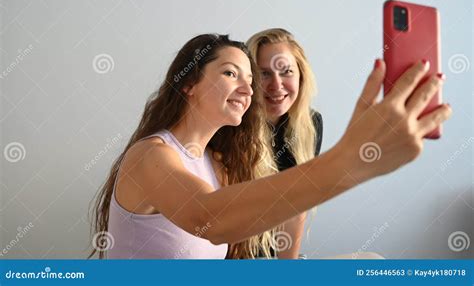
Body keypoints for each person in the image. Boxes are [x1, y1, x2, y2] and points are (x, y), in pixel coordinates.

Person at [89, 33, 451, 259]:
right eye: (231, 73)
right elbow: (207, 218)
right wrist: (350, 161)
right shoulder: (150, 155)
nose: (250, 89)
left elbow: (272, 220)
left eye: (250, 78)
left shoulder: (218, 165)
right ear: (189, 85)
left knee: (370, 264)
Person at [246, 28, 323, 259]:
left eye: (286, 72)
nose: (276, 85)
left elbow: (296, 207)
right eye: (264, 74)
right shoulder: (232, 128)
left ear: (301, 75)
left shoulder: (310, 124)